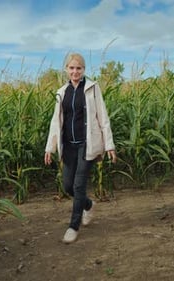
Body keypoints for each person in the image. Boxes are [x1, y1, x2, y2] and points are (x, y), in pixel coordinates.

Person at [44, 52, 117, 244]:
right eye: (72, 68)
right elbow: (56, 121)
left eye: (79, 68)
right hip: (68, 145)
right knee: (68, 186)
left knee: (78, 185)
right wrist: (49, 148)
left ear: (84, 70)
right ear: (66, 69)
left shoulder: (92, 88)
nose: (75, 71)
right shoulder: (62, 92)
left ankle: (73, 226)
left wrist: (109, 145)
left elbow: (103, 117)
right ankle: (88, 204)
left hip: (87, 145)